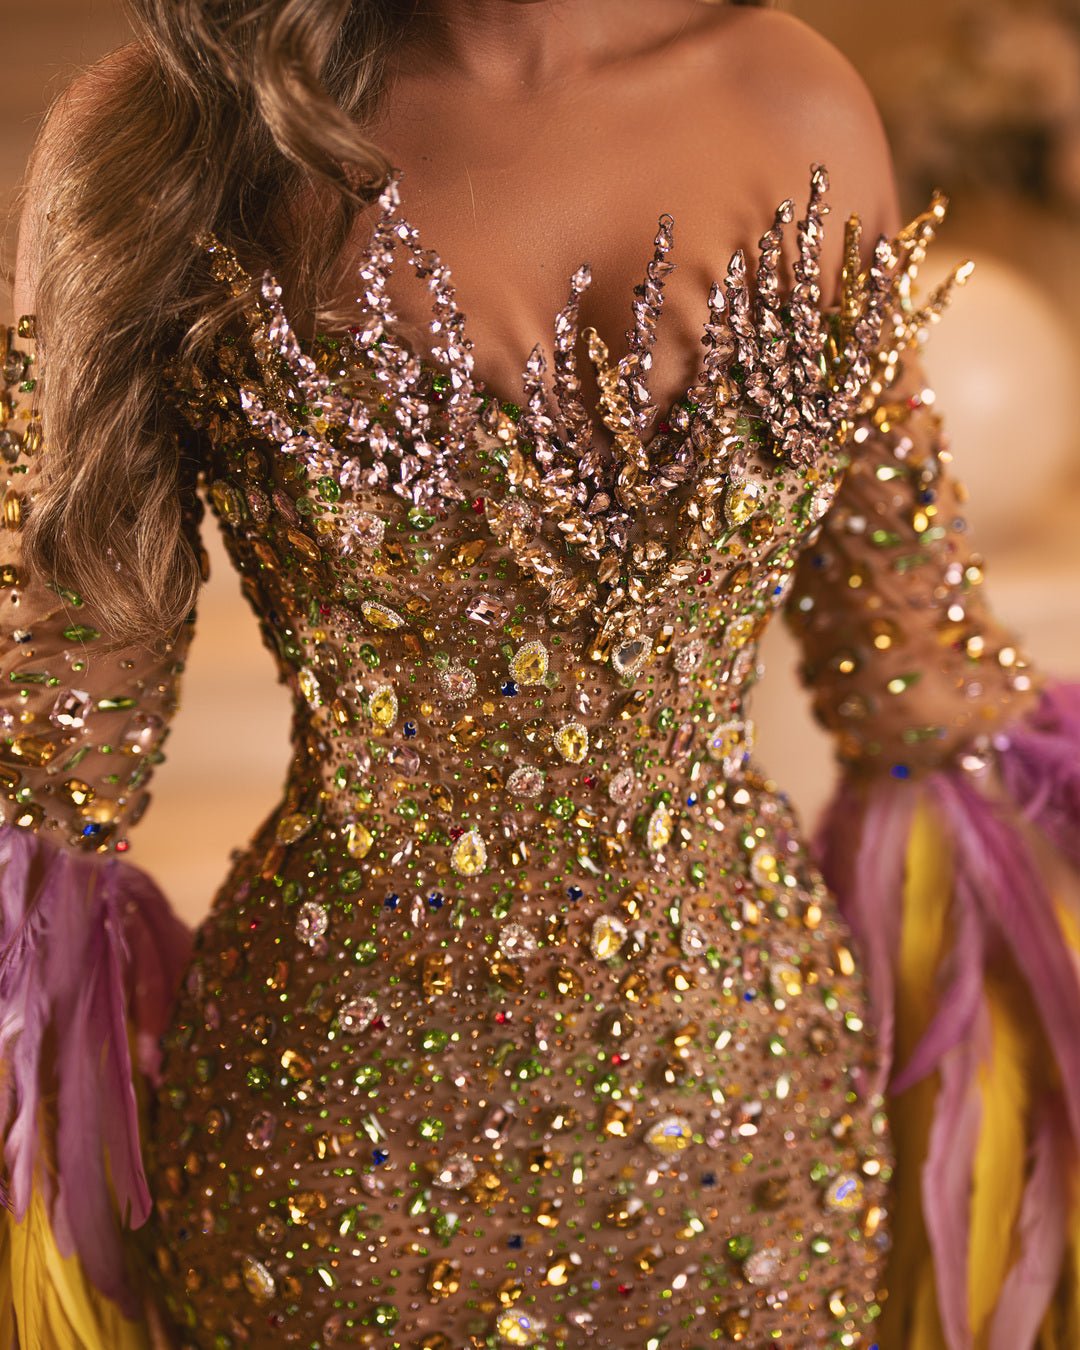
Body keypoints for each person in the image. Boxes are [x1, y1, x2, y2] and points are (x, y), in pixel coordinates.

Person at [2, 1, 1079, 1346]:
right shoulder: (176, 130)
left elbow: (919, 678)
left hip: (756, 1156)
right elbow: (53, 759)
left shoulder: (795, 99)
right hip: (334, 1168)